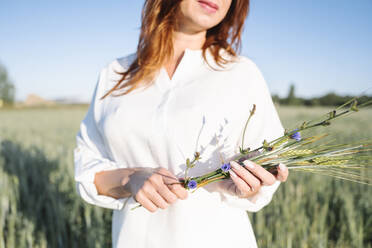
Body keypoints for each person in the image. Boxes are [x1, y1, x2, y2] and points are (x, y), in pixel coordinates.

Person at [74, 0, 289, 247]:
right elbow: (88, 171)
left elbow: (265, 173)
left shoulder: (243, 74)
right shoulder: (114, 74)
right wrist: (130, 178)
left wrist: (249, 185)